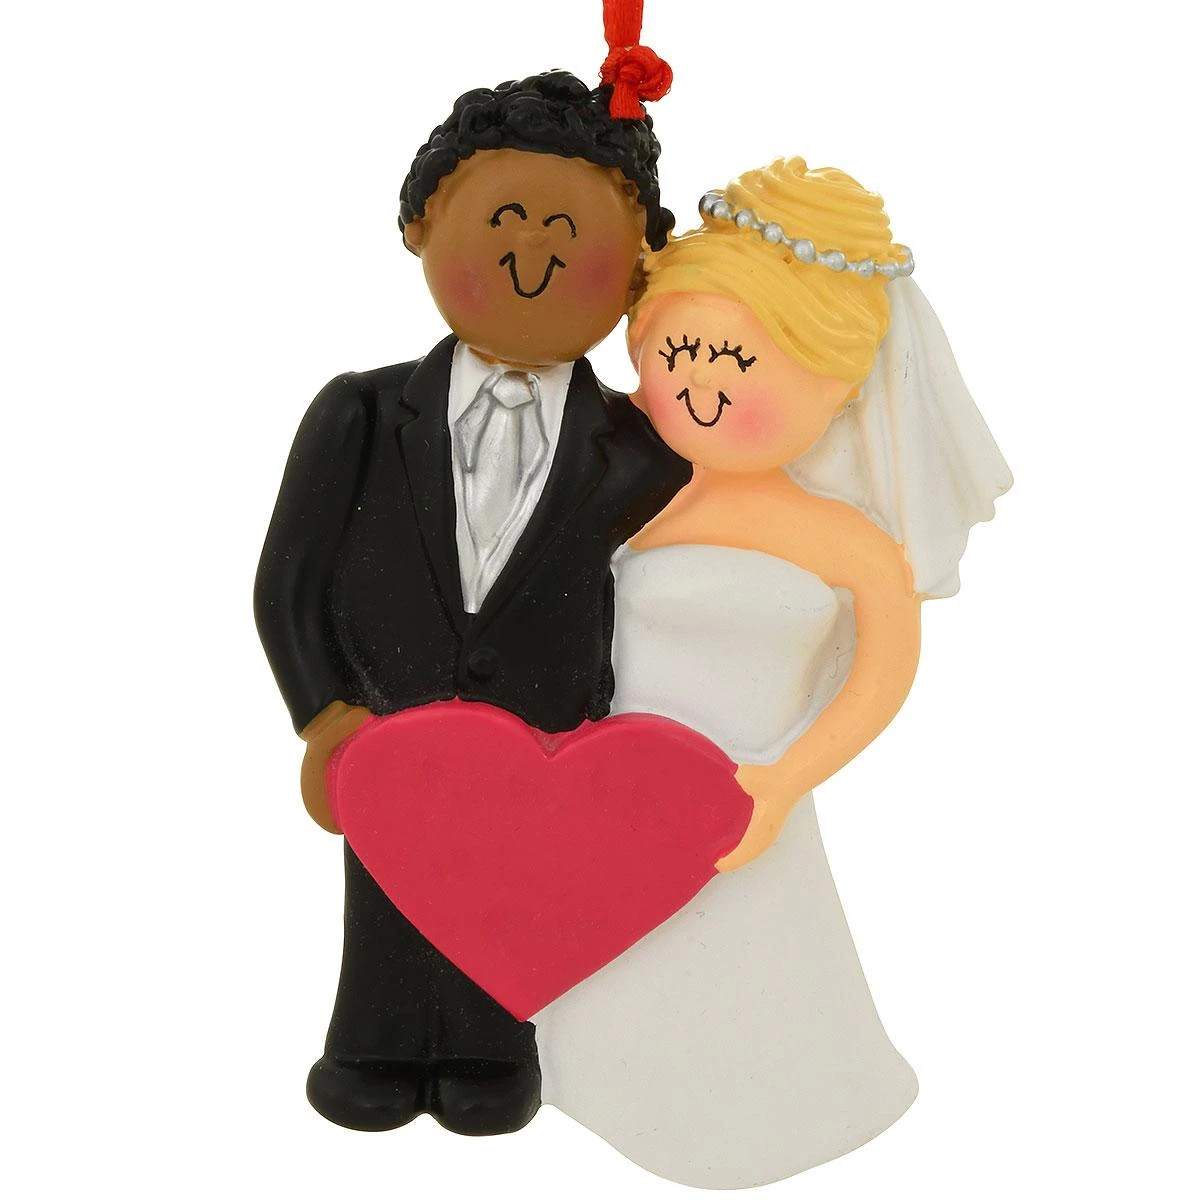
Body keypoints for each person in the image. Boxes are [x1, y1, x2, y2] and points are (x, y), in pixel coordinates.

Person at [533, 157, 1012, 1187]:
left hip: (747, 804)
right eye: (675, 354)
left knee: (753, 969)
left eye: (738, 362)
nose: (700, 384)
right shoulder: (627, 503)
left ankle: (775, 1111)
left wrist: (784, 781)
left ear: (836, 387)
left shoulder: (849, 543)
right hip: (606, 793)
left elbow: (880, 678)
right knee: (607, 968)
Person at [254, 70, 690, 1137]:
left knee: (511, 902)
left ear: (641, 267)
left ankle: (493, 1050)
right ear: (419, 226)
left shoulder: (647, 453)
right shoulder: (358, 412)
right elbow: (287, 581)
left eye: (567, 230)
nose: (532, 248)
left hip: (552, 750)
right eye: (502, 219)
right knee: (388, 892)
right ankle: (373, 1043)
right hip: (385, 735)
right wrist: (325, 717)